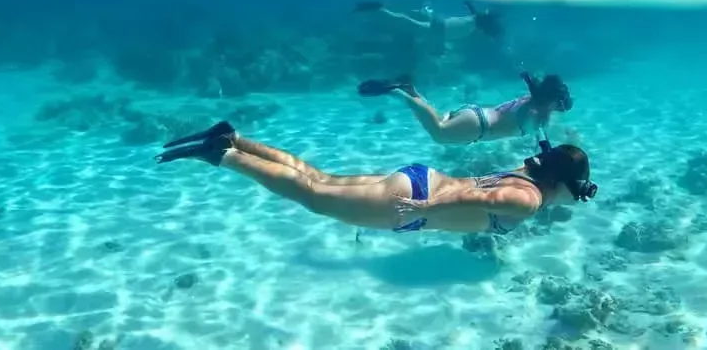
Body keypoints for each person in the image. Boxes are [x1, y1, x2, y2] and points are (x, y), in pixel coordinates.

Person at [155, 121, 596, 234]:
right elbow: (491, 204)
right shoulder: (530, 200)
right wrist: (426, 209)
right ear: (561, 186)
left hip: (420, 179)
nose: (575, 200)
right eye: (577, 194)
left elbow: (537, 166)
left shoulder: (528, 171)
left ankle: (233, 137)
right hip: (414, 204)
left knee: (318, 178)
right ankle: (227, 155)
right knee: (313, 196)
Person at [357, 71, 573, 145]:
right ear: (553, 102)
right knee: (439, 134)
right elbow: (542, 139)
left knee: (439, 122)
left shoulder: (530, 99)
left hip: (475, 115)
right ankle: (397, 92)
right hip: (479, 127)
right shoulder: (538, 115)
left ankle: (411, 90)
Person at [353, 0, 504, 41]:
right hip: (439, 28)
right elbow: (478, 15)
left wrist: (469, 4)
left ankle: (379, 9)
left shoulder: (472, 22)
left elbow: (477, 14)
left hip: (440, 27)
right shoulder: (472, 24)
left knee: (407, 20)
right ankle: (379, 9)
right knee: (405, 21)